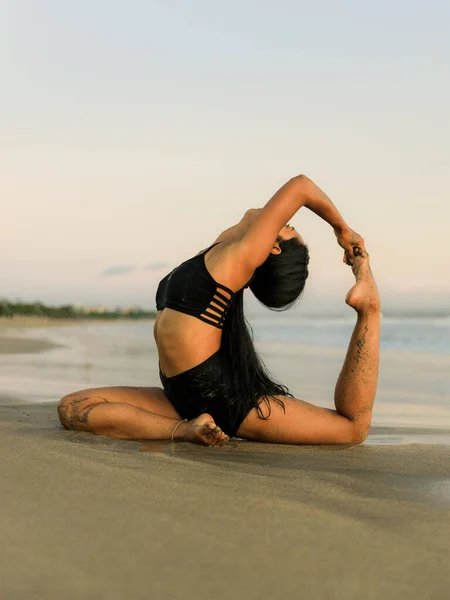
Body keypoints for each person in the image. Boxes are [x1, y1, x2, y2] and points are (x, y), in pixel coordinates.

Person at [58, 175, 380, 446]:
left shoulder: (238, 260)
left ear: (272, 246)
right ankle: (186, 429)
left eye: (286, 224)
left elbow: (301, 187)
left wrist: (342, 229)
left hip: (225, 402)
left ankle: (369, 308)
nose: (278, 216)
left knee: (352, 428)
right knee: (71, 408)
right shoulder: (219, 251)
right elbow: (257, 212)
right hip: (183, 396)